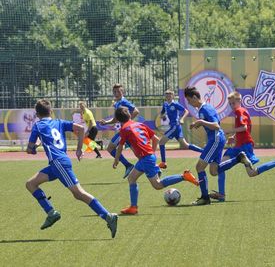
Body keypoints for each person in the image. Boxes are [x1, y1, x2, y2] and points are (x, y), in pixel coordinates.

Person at [25, 99, 118, 238]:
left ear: (37, 114)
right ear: (51, 111)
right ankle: (51, 212)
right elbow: (80, 129)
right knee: (31, 184)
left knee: (78, 193)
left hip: (58, 163)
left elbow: (29, 149)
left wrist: (34, 147)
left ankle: (108, 216)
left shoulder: (38, 126)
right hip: (58, 164)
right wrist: (79, 149)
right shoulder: (59, 122)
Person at [112, 107, 199, 215]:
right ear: (129, 115)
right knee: (131, 178)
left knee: (157, 185)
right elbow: (156, 139)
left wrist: (116, 160)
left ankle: (184, 176)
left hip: (146, 159)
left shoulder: (124, 129)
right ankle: (133, 207)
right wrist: (151, 153)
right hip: (146, 158)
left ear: (118, 120)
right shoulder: (140, 124)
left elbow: (120, 147)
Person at [209, 91, 275, 202]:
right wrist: (234, 136)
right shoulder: (241, 111)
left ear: (239, 101)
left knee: (251, 173)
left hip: (244, 146)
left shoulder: (239, 111)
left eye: (233, 103)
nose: (232, 106)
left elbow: (244, 128)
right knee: (221, 166)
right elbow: (243, 130)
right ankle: (221, 194)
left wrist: (229, 131)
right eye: (230, 104)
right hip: (238, 146)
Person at [183, 86, 227, 205]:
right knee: (214, 170)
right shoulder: (204, 108)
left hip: (215, 139)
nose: (189, 103)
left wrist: (201, 122)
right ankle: (238, 159)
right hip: (217, 139)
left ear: (194, 97)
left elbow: (216, 125)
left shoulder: (205, 109)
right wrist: (199, 124)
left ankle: (205, 198)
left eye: (189, 100)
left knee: (199, 167)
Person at [100, 83, 140, 178]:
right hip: (126, 131)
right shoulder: (117, 103)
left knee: (110, 148)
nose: (116, 93)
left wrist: (127, 122)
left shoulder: (124, 102)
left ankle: (128, 165)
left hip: (125, 130)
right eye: (114, 91)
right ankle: (154, 169)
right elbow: (115, 119)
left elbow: (136, 111)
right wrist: (106, 122)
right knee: (138, 153)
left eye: (118, 91)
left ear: (122, 92)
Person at [158, 89, 203, 169]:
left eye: (170, 96)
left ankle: (163, 162)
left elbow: (186, 111)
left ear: (173, 96)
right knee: (185, 145)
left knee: (161, 142)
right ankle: (204, 152)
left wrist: (182, 119)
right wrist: (162, 116)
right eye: (167, 96)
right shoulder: (165, 104)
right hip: (174, 127)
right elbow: (162, 113)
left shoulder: (175, 104)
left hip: (175, 126)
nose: (168, 97)